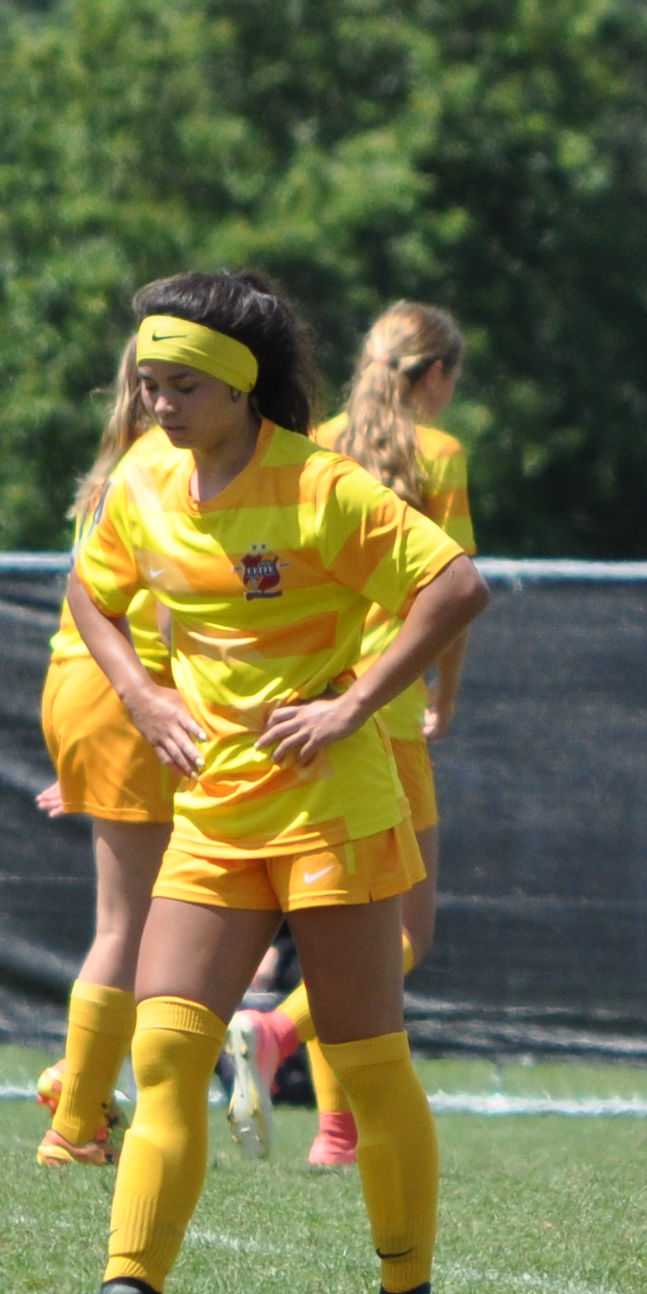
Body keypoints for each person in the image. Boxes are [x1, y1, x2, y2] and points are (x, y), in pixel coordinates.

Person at [0, 271, 489, 1294]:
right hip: (217, 812)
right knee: (168, 1052)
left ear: (238, 387)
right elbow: (91, 589)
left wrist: (354, 702)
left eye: (178, 386)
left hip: (333, 813)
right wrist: (138, 692)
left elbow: (454, 585)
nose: (156, 404)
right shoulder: (144, 483)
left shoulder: (322, 486)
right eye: (147, 383)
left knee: (366, 1066)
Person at [231, 301, 473, 1169]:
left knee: (343, 926)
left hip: (316, 693)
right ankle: (276, 1031)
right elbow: (451, 594)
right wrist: (446, 695)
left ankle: (336, 1136)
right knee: (402, 935)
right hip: (385, 707)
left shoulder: (320, 440)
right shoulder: (439, 455)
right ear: (435, 375)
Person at [29, 343, 178, 1168]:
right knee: (128, 926)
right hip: (127, 693)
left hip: (84, 690)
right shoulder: (170, 463)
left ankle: (86, 1085)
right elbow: (163, 612)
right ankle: (77, 1118)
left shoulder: (121, 463)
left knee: (148, 917)